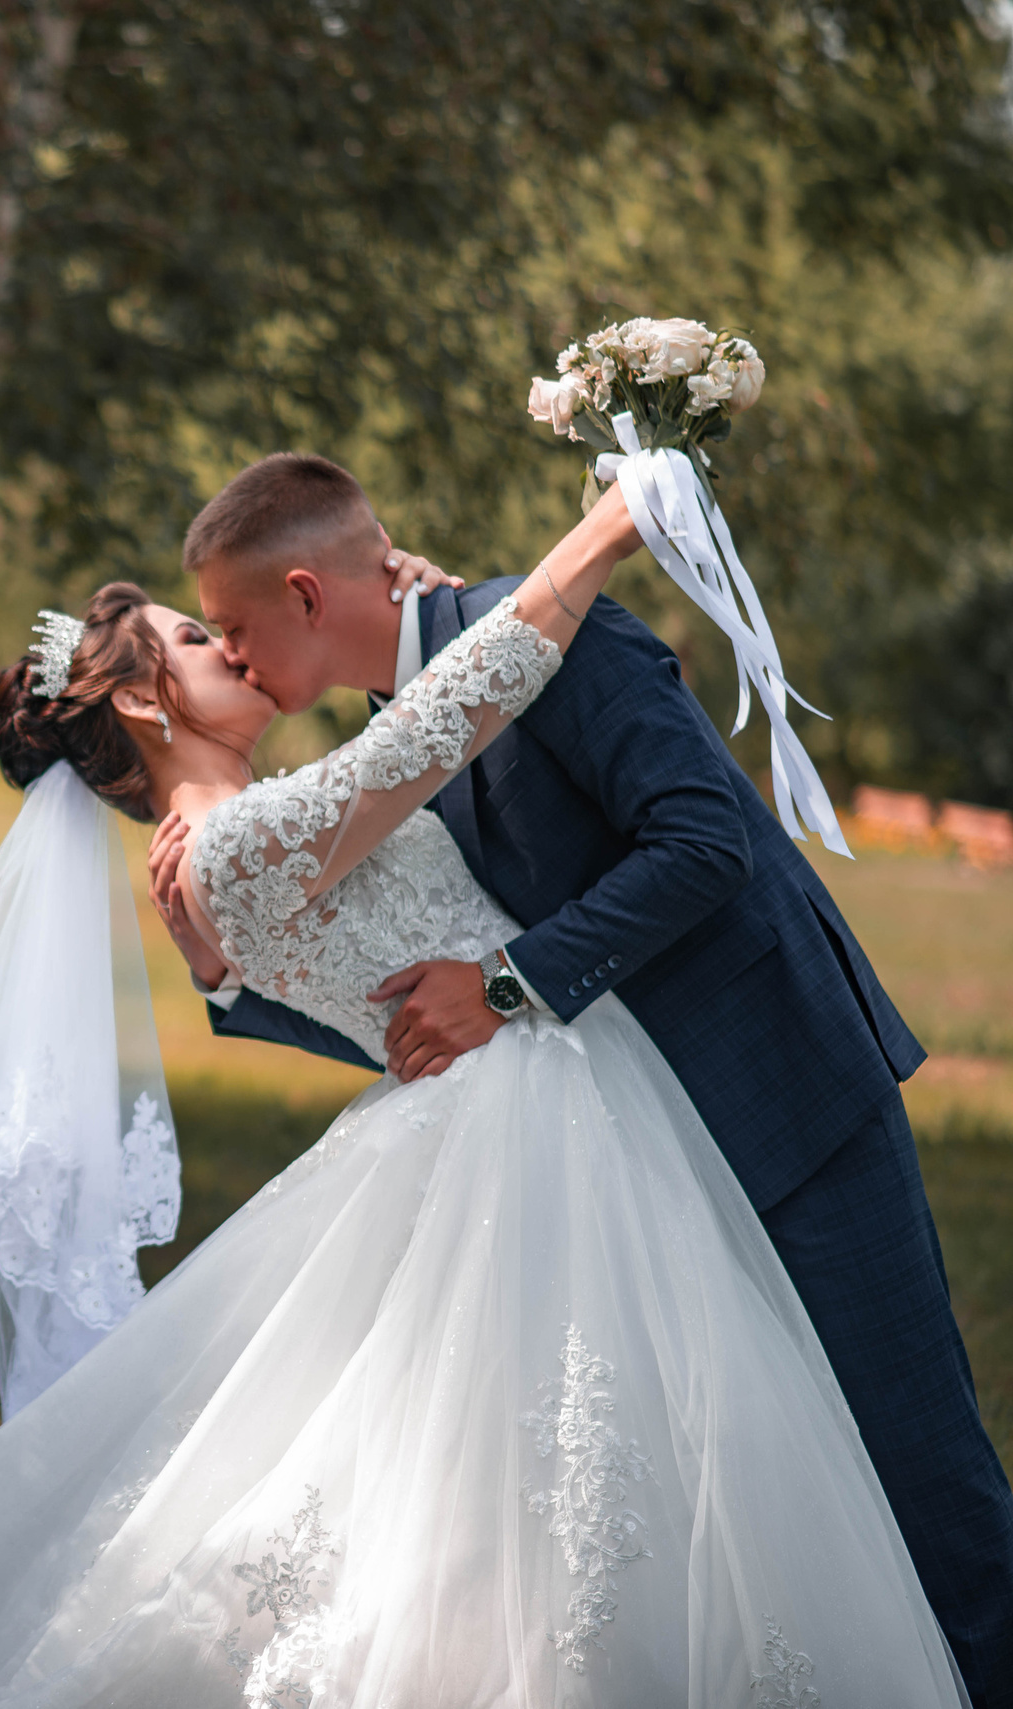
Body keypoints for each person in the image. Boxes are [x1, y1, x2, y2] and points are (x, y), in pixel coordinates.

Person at [0, 484, 966, 1707]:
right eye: (200, 638)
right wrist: (606, 530)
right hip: (530, 1129)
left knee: (586, 1490)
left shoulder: (243, 843)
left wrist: (410, 610)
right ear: (137, 708)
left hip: (551, 1110)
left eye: (227, 623)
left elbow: (407, 851)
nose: (231, 651)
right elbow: (446, 717)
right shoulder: (234, 845)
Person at [156, 453, 1011, 1699]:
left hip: (776, 1098)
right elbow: (409, 1004)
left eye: (231, 627)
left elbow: (705, 841)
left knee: (915, 1465)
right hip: (630, 1167)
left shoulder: (555, 640)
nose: (229, 657)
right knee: (761, 1505)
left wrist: (509, 980)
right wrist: (228, 972)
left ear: (301, 591)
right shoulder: (401, 733)